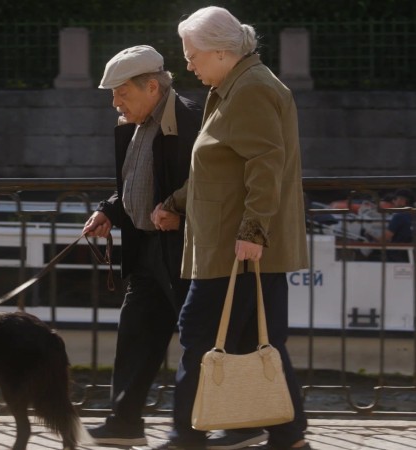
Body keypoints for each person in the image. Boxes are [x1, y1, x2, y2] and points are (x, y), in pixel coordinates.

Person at [146, 6, 311, 450]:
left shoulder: (251, 89)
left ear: (221, 52)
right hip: (237, 242)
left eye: (193, 54)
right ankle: (285, 434)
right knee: (259, 341)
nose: (188, 64)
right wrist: (175, 203)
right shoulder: (239, 85)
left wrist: (253, 232)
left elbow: (265, 164)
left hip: (233, 246)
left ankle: (187, 434)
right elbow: (222, 167)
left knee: (200, 333)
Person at [83, 45, 259, 450]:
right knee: (136, 335)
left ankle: (238, 423)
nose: (116, 103)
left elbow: (219, 182)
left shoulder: (192, 119)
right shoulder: (138, 122)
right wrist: (110, 209)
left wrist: (183, 215)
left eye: (121, 93)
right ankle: (124, 421)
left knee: (207, 340)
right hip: (147, 248)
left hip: (184, 250)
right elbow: (136, 182)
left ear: (150, 86)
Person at [367, 189, 416, 262]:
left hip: (396, 255)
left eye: (395, 199)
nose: (393, 202)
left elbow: (385, 238)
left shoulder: (399, 216)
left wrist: (371, 236)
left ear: (402, 201)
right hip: (413, 256)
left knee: (370, 257)